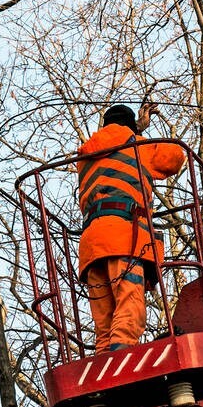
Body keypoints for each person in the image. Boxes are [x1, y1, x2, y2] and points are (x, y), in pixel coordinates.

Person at [77, 103, 185, 353]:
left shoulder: (85, 156)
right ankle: (120, 367)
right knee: (129, 308)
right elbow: (174, 158)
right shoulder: (136, 146)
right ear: (130, 125)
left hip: (92, 244)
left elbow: (110, 143)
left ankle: (103, 371)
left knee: (103, 324)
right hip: (124, 236)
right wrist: (139, 131)